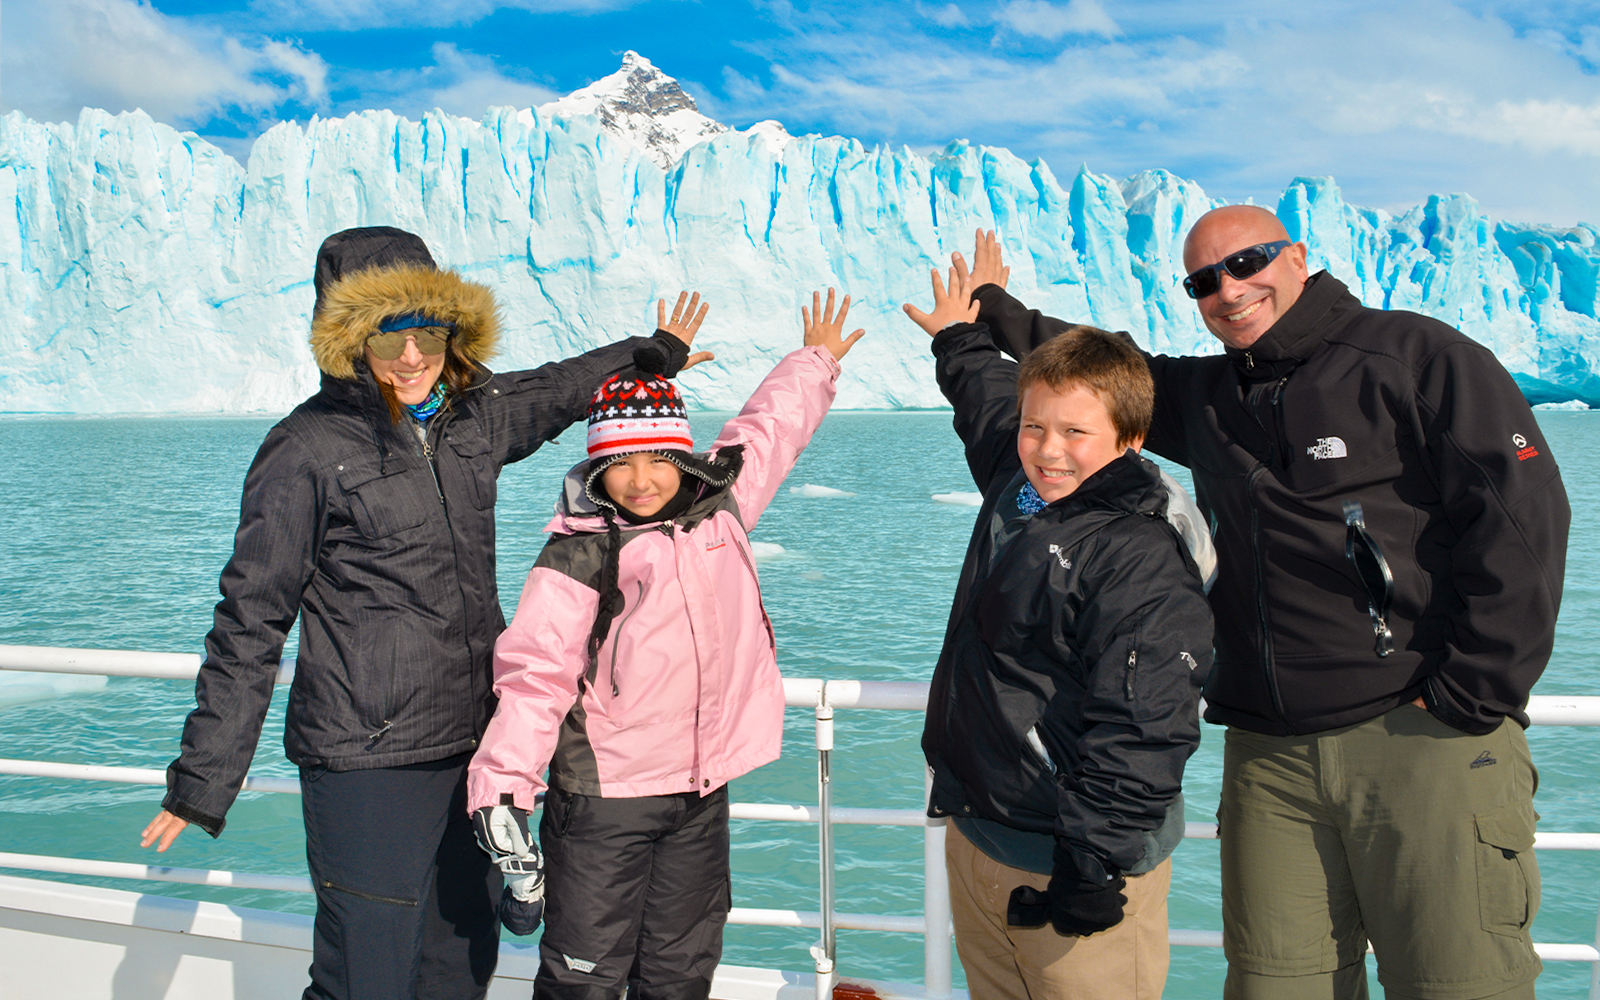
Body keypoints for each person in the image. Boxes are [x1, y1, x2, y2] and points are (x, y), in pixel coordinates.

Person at [966, 210, 1570, 999]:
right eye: (1203, 280)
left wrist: (1474, 689)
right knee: (1274, 984)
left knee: (1458, 981)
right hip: (1269, 754)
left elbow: (1522, 516)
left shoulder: (1415, 356)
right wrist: (989, 312)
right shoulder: (1212, 396)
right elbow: (1111, 373)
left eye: (1247, 261)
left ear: (1299, 256)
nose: (1229, 289)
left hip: (1422, 737)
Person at [139, 225, 710, 1000]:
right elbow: (251, 620)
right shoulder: (304, 449)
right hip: (367, 761)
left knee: (458, 963)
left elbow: (559, 386)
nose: (411, 357)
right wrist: (203, 781)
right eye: (386, 334)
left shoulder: (474, 418)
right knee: (366, 975)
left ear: (452, 330)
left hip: (476, 746)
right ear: (349, 340)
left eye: (426, 330)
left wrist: (655, 354)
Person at [464, 289, 864, 1000]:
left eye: (658, 459)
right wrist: (504, 790)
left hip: (699, 790)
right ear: (595, 470)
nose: (641, 480)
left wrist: (814, 361)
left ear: (683, 456)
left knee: (680, 974)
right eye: (621, 464)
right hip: (604, 800)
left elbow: (770, 431)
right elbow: (534, 678)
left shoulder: (723, 506)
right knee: (583, 977)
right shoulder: (578, 556)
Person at [902, 263, 1214, 999]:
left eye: (1076, 431)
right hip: (985, 835)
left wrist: (1094, 858)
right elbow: (986, 404)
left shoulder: (1138, 548)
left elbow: (1148, 718)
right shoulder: (1022, 485)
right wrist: (958, 338)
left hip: (1070, 860)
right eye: (1036, 426)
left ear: (1131, 439)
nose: (1048, 448)